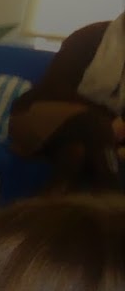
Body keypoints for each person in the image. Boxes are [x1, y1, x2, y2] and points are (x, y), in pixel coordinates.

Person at [8, 11, 125, 194]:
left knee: (77, 153)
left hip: (93, 136)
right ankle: (114, 198)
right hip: (38, 115)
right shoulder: (89, 36)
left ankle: (51, 205)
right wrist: (111, 119)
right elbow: (56, 87)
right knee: (95, 125)